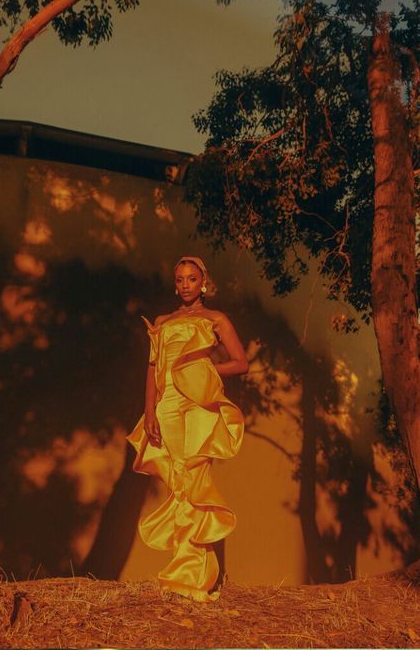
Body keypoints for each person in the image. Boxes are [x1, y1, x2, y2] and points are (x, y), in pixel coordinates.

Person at [126, 255, 248, 602]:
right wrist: (149, 410)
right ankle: (184, 571)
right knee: (178, 480)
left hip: (197, 403)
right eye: (179, 279)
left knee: (194, 479)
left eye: (191, 279)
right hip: (166, 405)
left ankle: (194, 577)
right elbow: (153, 368)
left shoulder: (215, 319)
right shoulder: (163, 322)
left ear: (203, 282)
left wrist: (204, 370)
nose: (184, 285)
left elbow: (241, 363)